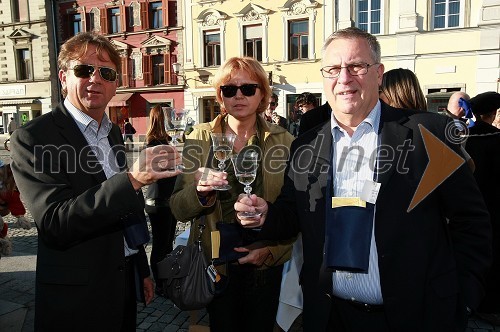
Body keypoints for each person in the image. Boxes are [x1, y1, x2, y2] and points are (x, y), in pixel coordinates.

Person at [235, 27, 491, 331]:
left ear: (379, 73)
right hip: (331, 317)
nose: (344, 78)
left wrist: (462, 298)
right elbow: (293, 214)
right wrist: (265, 215)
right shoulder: (305, 144)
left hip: (417, 316)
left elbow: (471, 222)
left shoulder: (428, 133)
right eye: (333, 69)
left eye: (356, 66)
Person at [9, 32, 181, 331]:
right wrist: (133, 179)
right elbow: (54, 221)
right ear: (64, 77)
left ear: (116, 83)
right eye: (84, 70)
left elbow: (125, 210)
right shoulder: (33, 137)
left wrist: (140, 266)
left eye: (106, 72)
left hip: (123, 279)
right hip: (77, 295)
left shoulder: (112, 132)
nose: (95, 79)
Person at [170, 56, 295, 332]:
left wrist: (272, 251)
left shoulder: (284, 141)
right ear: (220, 95)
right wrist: (199, 193)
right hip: (217, 265)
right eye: (229, 89)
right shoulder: (199, 138)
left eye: (248, 88)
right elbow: (178, 208)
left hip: (265, 263)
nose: (238, 95)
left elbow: (294, 210)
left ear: (262, 93)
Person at [465, 91, 500, 326]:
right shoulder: (497, 139)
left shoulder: (462, 137)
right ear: (493, 113)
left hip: (469, 207)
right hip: (495, 205)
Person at [143, 104, 178, 296]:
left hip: (167, 201)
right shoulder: (153, 145)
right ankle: (160, 283)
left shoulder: (165, 143)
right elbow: (159, 172)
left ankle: (166, 279)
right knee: (160, 244)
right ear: (162, 120)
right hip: (158, 202)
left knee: (167, 243)